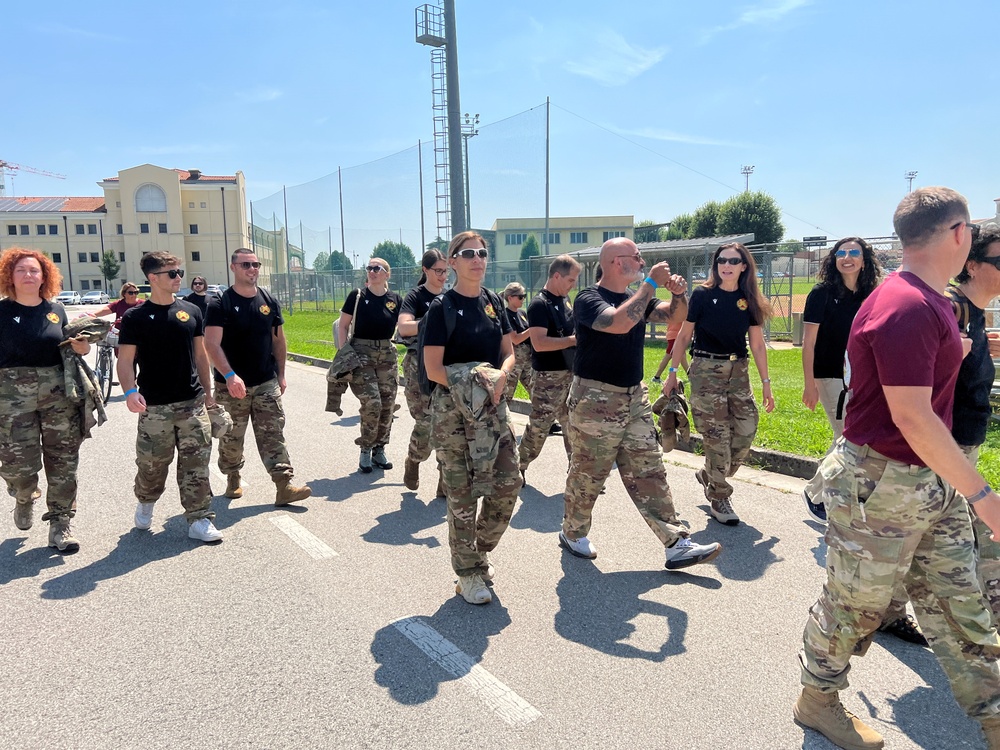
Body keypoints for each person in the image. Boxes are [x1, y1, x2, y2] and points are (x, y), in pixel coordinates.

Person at [795, 188, 1000, 750]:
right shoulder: (907, 304)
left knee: (962, 599)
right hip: (880, 482)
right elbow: (910, 417)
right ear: (959, 235)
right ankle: (817, 700)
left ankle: (995, 715)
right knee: (855, 606)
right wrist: (983, 495)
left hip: (927, 480)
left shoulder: (924, 299)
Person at [562, 237, 722, 570]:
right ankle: (573, 532)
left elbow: (673, 317)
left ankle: (676, 542)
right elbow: (619, 323)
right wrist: (650, 284)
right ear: (615, 262)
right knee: (589, 473)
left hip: (633, 397)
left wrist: (678, 294)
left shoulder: (636, 296)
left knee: (650, 469)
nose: (641, 261)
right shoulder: (588, 298)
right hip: (595, 399)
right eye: (635, 257)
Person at [878, 223, 1000, 645]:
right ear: (971, 263)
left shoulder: (975, 313)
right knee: (935, 539)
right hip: (941, 446)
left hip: (967, 440)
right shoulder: (949, 308)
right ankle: (890, 612)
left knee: (939, 538)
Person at [423, 231, 520, 605]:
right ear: (452, 261)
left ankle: (478, 551)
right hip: (453, 415)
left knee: (508, 485)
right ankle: (467, 574)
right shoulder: (441, 308)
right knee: (462, 495)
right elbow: (433, 369)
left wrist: (500, 376)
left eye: (482, 253)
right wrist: (475, 381)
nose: (477, 259)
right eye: (468, 254)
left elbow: (508, 351)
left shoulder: (493, 301)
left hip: (494, 409)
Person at [116, 251, 223, 544]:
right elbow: (125, 361)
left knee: (197, 466)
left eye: (179, 273)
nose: (178, 278)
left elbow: (201, 355)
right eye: (172, 273)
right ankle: (146, 502)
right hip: (154, 407)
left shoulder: (191, 311)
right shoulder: (135, 317)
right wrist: (129, 391)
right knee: (152, 466)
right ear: (153, 278)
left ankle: (199, 518)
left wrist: (209, 392)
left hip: (191, 403)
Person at [665, 243, 774, 527]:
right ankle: (719, 495)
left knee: (746, 431)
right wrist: (673, 372)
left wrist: (766, 383)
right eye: (722, 260)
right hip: (705, 370)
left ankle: (710, 475)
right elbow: (684, 335)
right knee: (716, 439)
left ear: (743, 266)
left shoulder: (748, 298)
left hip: (738, 371)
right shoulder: (703, 294)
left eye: (733, 261)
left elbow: (758, 344)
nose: (726, 265)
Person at [204, 248, 311, 506]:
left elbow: (279, 339)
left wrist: (281, 374)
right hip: (231, 386)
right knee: (232, 438)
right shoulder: (220, 303)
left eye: (255, 264)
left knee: (273, 433)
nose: (252, 269)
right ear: (233, 268)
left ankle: (284, 486)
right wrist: (229, 375)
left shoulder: (268, 300)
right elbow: (211, 344)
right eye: (246, 265)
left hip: (265, 382)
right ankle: (232, 476)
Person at [0, 248, 90, 551]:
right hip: (11, 399)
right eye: (21, 270)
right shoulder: (1, 311)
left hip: (57, 395)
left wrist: (83, 348)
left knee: (63, 460)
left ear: (44, 276)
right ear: (10, 276)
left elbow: (70, 347)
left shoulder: (56, 310)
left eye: (34, 270)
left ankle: (61, 524)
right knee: (18, 466)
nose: (28, 275)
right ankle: (24, 496)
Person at [800, 238, 883, 523]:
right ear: (834, 258)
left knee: (850, 437)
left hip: (862, 376)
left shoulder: (871, 293)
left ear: (864, 259)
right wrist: (809, 383)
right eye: (841, 253)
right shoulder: (821, 293)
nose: (847, 258)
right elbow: (808, 343)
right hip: (829, 374)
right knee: (848, 437)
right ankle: (815, 493)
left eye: (853, 253)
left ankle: (826, 492)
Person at [338, 257, 403, 473]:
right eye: (370, 268)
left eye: (378, 268)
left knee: (387, 403)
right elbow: (343, 326)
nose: (372, 271)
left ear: (387, 274)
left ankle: (380, 449)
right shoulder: (357, 296)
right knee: (372, 402)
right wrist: (343, 353)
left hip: (386, 354)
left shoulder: (395, 299)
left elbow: (405, 325)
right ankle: (365, 449)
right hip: (361, 353)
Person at [518, 255, 579, 483]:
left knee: (571, 424)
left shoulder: (565, 300)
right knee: (539, 427)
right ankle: (518, 465)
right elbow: (539, 343)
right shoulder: (539, 304)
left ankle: (577, 472)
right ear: (556, 276)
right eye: (570, 280)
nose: (572, 285)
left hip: (569, 373)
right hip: (548, 377)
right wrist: (573, 341)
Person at [398, 249, 449, 494]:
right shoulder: (416, 297)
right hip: (419, 366)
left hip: (446, 365)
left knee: (448, 422)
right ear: (425, 270)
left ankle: (445, 479)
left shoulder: (450, 297)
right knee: (426, 421)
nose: (443, 275)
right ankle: (414, 459)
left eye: (446, 270)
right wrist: (432, 321)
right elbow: (405, 327)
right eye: (438, 270)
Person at [502, 282, 534, 401]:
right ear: (510, 298)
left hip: (527, 359)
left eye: (524, 296)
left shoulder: (522, 313)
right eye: (520, 297)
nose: (523, 299)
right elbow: (515, 339)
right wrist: (532, 329)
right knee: (507, 394)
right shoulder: (506, 315)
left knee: (535, 391)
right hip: (515, 360)